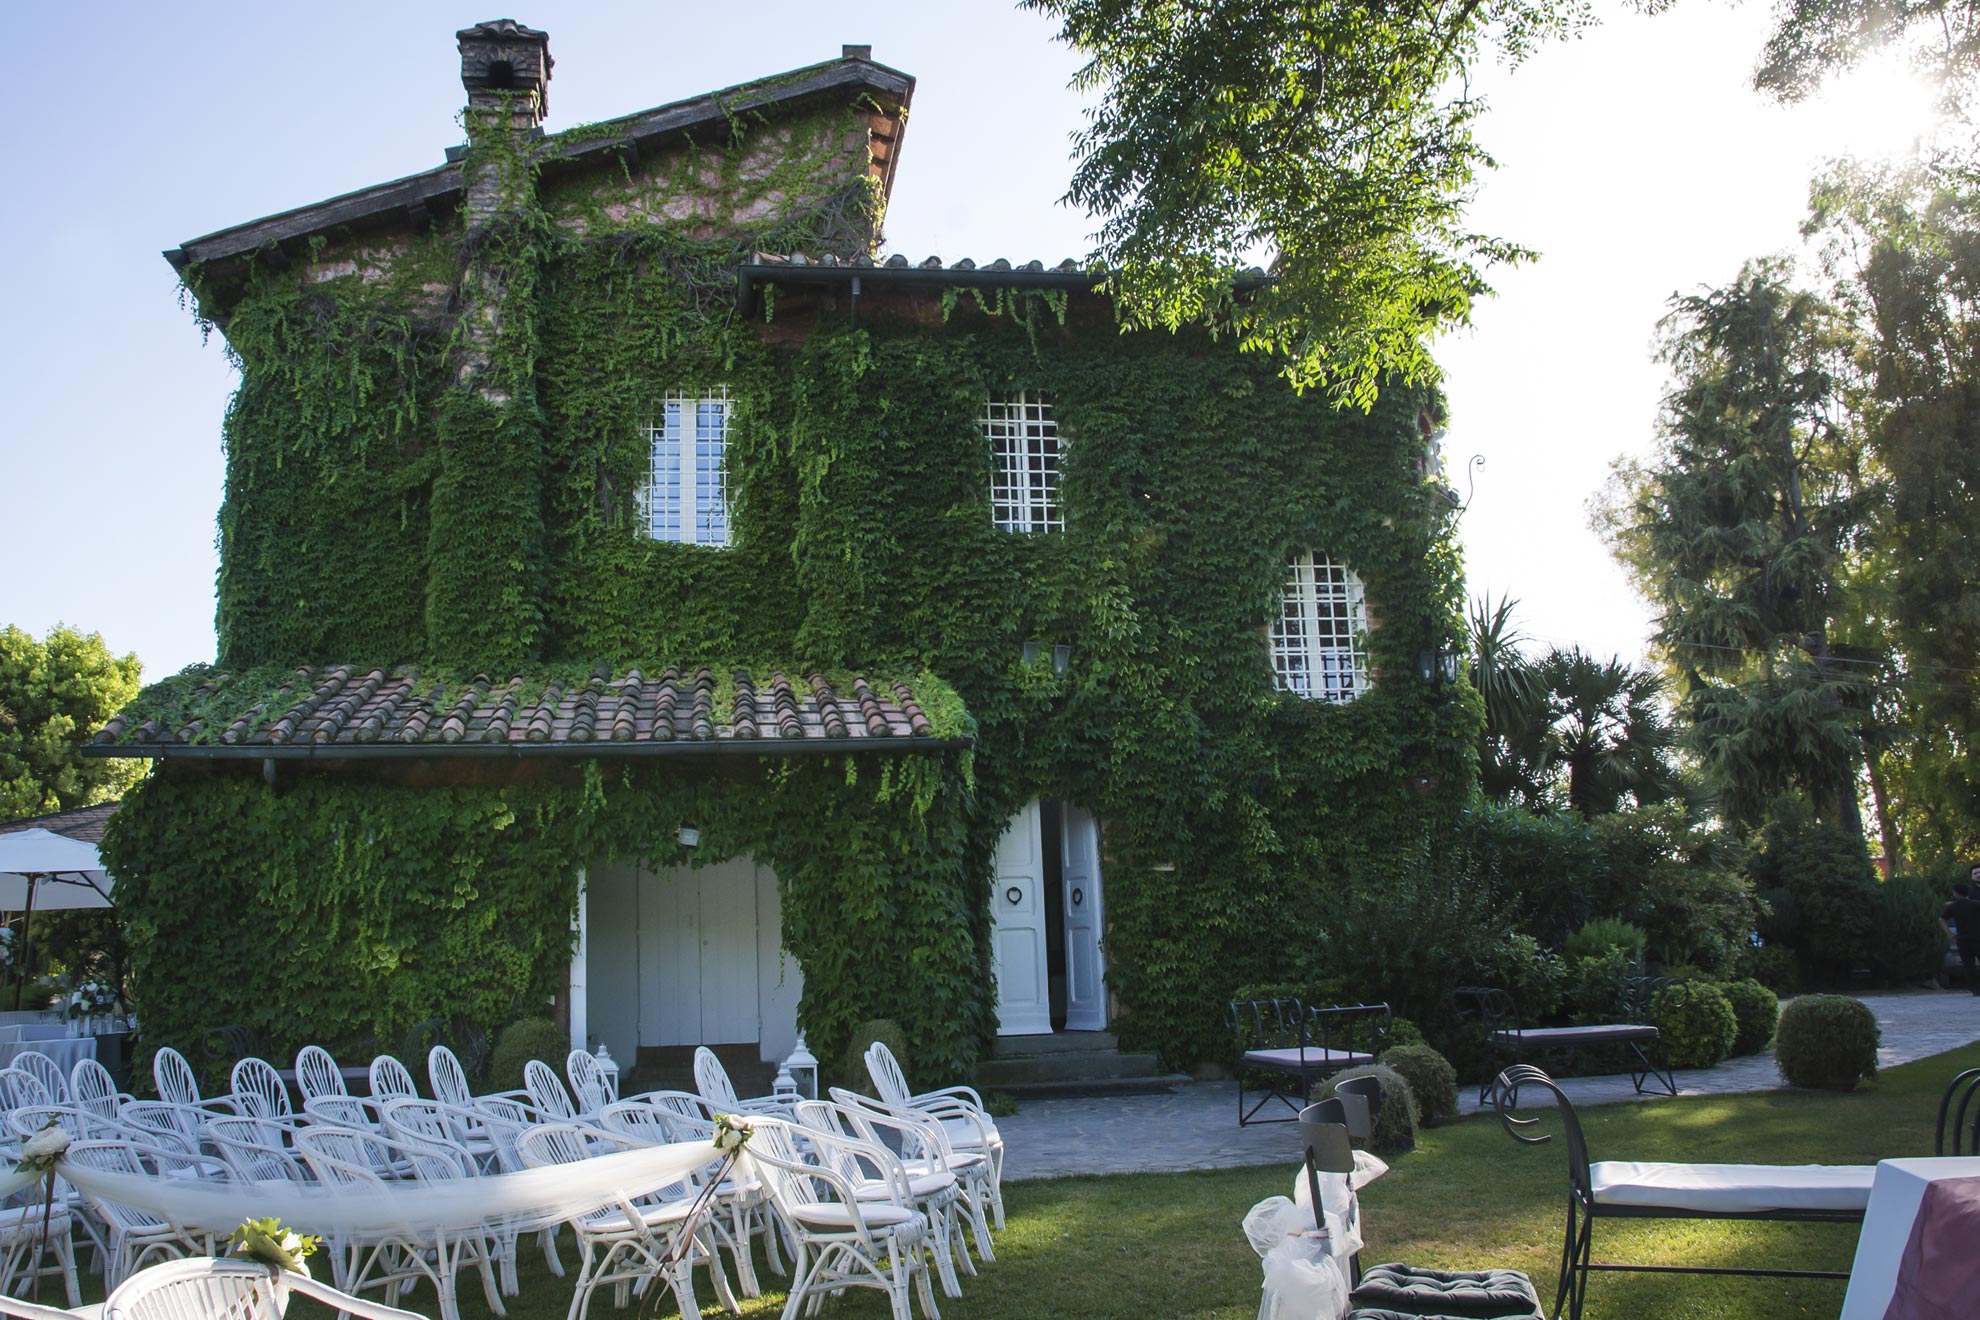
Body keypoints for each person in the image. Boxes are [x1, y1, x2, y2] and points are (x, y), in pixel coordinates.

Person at [1940, 874, 1980, 994]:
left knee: (1968, 965)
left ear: (1956, 893)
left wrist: (1949, 934)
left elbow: (1941, 920)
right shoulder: (1976, 905)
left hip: (1962, 939)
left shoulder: (1953, 906)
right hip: (1978, 938)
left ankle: (1974, 989)